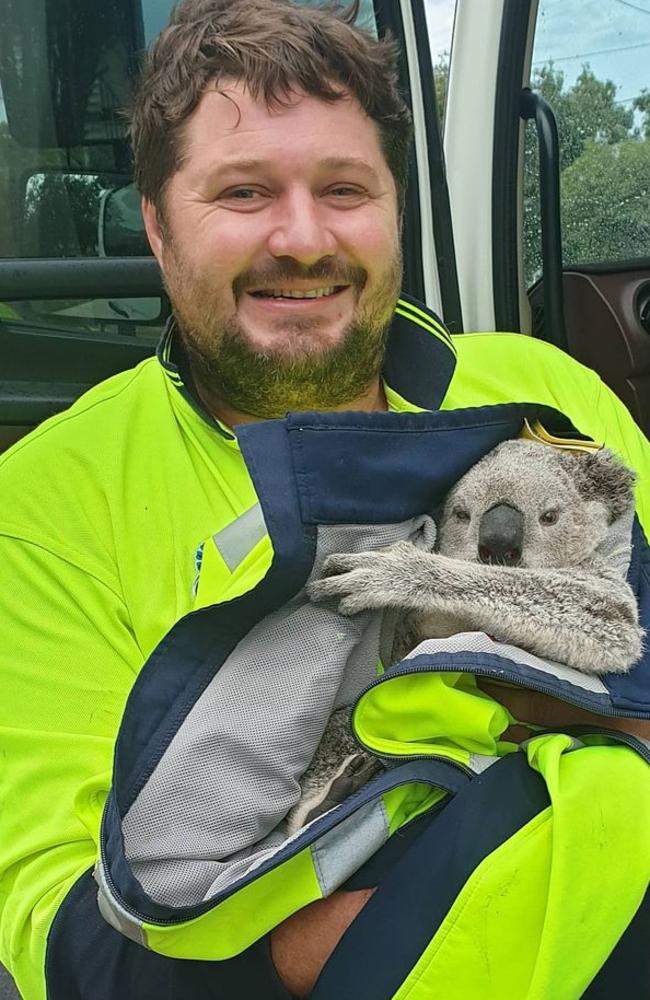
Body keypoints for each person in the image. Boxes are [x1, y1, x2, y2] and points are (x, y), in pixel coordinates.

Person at [1, 1, 649, 998]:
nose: (301, 238)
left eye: (343, 188)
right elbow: (65, 930)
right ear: (157, 224)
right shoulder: (47, 499)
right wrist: (385, 930)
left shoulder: (541, 388)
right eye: (244, 191)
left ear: (395, 206)